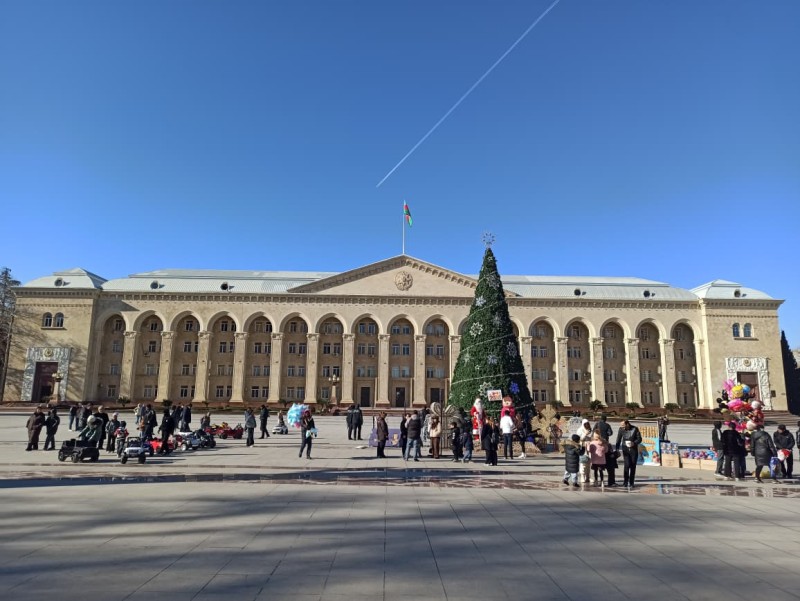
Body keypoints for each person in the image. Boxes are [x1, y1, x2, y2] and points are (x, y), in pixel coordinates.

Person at [615, 419, 642, 488]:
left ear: (627, 424)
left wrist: (634, 443)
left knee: (633, 466)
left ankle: (632, 482)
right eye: (621, 426)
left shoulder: (635, 429)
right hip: (625, 449)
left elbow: (639, 439)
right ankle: (625, 482)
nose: (622, 428)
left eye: (623, 426)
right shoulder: (621, 429)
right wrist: (617, 449)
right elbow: (618, 439)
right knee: (626, 465)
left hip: (633, 449)